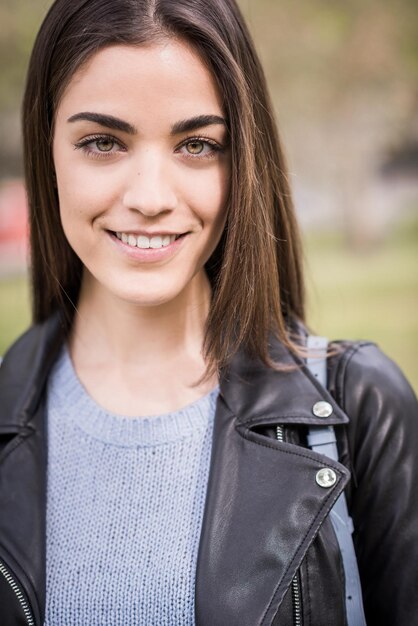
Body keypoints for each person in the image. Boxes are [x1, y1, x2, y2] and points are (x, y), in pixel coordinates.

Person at [0, 0, 417, 624]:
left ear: (242, 160)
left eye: (196, 144)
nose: (149, 198)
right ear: (47, 149)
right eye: (102, 142)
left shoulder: (364, 406)